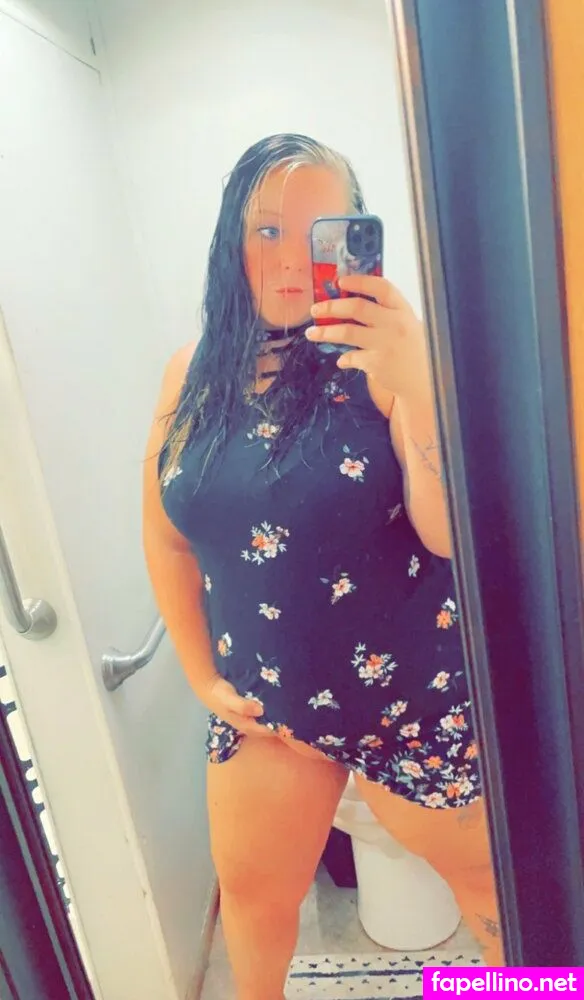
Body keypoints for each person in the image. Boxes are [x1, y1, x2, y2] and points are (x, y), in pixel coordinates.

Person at [143, 133, 503, 1000]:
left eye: (318, 232)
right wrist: (198, 673)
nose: (289, 258)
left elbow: (448, 535)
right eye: (267, 229)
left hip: (413, 707)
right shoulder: (191, 374)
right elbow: (168, 536)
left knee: (502, 902)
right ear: (231, 239)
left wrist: (421, 382)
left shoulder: (385, 362)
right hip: (269, 711)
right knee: (255, 907)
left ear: (355, 238)